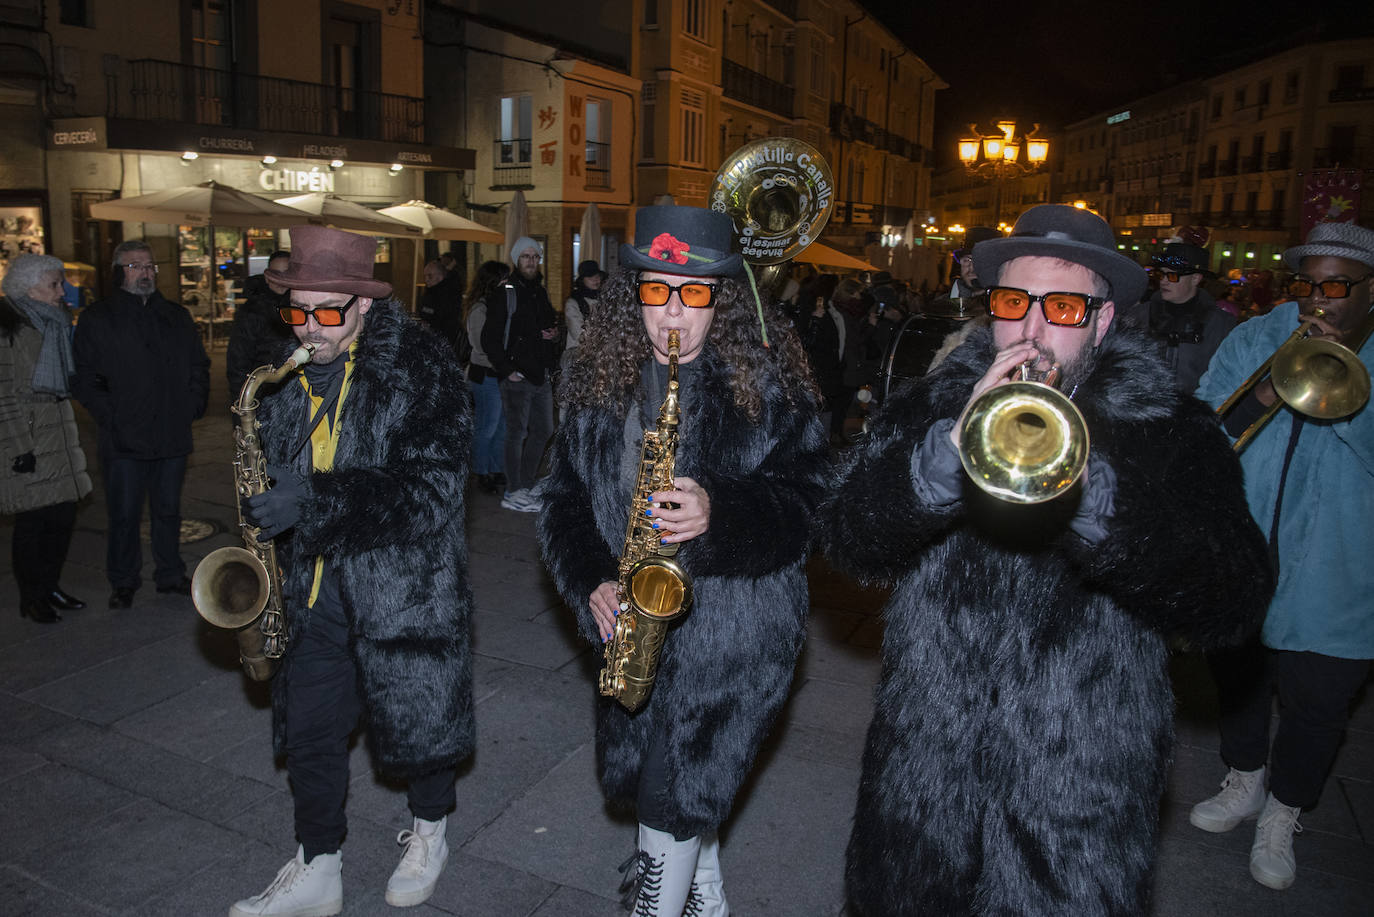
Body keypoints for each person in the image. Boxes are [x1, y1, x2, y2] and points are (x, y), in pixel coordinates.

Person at [824, 204, 1274, 916]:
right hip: (925, 774)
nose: (1030, 330)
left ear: (1102, 319)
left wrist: (1102, 508)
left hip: (1080, 788)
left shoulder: (1172, 427)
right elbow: (847, 537)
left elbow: (1235, 595)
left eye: (1061, 306)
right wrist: (939, 462)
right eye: (1012, 302)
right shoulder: (935, 403)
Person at [538, 206, 828, 917]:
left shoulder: (773, 386)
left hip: (735, 637)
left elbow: (812, 504)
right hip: (636, 625)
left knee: (673, 793)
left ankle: (657, 902)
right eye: (656, 289)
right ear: (631, 293)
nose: (672, 311)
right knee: (669, 783)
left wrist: (720, 513)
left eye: (692, 293)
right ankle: (705, 888)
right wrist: (590, 583)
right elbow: (563, 498)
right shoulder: (594, 376)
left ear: (720, 299)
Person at [228, 226, 474, 916]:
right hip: (311, 585)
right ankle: (318, 864)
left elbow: (433, 490)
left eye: (328, 310)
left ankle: (430, 831)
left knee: (419, 723)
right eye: (298, 310)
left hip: (403, 584)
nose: (311, 326)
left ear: (363, 305)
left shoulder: (420, 367)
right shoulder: (284, 371)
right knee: (310, 727)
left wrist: (311, 497)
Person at [1192, 220, 1374, 892]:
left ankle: (1285, 808)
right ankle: (1243, 778)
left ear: (1369, 288)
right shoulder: (1260, 334)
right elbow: (1205, 428)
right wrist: (1266, 391)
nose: (1317, 300)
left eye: (1335, 285)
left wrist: (1347, 398)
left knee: (1319, 702)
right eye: (1307, 283)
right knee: (1239, 676)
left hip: (1342, 566)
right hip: (1246, 547)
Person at [72, 240, 210, 608]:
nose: (145, 273)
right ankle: (123, 580)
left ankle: (169, 574)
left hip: (170, 434)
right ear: (119, 272)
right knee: (124, 515)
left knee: (168, 511)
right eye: (135, 266)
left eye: (149, 266)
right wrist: (109, 415)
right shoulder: (99, 318)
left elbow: (199, 365)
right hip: (123, 438)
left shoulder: (175, 316)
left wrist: (192, 404)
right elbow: (85, 377)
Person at [1, 253, 93, 623]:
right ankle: (32, 596)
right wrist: (20, 449)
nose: (63, 292)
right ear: (28, 288)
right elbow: (3, 394)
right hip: (29, 441)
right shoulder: (7, 327)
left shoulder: (50, 323)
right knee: (32, 525)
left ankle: (51, 585)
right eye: (54, 284)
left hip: (58, 438)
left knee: (61, 518)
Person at [483, 236, 557, 512]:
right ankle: (513, 490)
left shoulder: (540, 291)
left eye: (535, 256)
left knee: (544, 430)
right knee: (516, 433)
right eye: (525, 257)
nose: (531, 261)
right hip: (517, 376)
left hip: (540, 374)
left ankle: (525, 483)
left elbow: (546, 323)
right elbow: (489, 337)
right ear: (516, 260)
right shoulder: (506, 292)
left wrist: (553, 333)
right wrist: (507, 370)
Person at [1127, 242, 1235, 392]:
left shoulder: (1221, 325)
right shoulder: (1137, 317)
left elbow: (1226, 380)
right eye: (1161, 274)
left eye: (1172, 276)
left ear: (1195, 279)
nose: (1163, 281)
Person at [465, 260, 511, 495]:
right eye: (504, 279)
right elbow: (480, 346)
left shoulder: (497, 305)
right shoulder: (479, 309)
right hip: (486, 375)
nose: (507, 283)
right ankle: (481, 472)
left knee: (501, 425)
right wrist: (504, 361)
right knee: (488, 425)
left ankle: (496, 468)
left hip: (499, 374)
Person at [226, 250, 294, 396]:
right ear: (267, 277)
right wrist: (242, 401)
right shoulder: (251, 312)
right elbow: (238, 362)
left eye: (286, 273)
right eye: (276, 274)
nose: (281, 280)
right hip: (261, 395)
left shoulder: (303, 306)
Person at [416, 258, 467, 357]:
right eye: (425, 276)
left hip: (443, 345)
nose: (426, 279)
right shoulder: (429, 292)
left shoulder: (449, 295)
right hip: (430, 342)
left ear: (440, 277)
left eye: (430, 276)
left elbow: (448, 321)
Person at [561, 258, 602, 377]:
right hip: (579, 358)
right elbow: (579, 334)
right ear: (582, 280)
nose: (595, 280)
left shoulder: (604, 299)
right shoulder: (574, 302)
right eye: (590, 277)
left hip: (600, 358)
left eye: (597, 276)